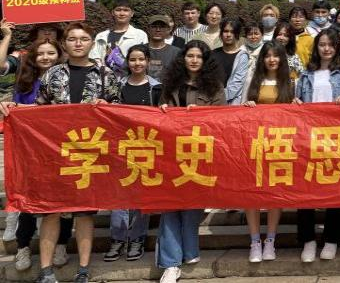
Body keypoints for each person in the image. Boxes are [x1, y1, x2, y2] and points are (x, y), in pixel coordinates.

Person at [31, 23, 120, 283]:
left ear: (92, 42)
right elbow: (38, 111)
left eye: (83, 38)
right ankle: (46, 271)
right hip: (55, 152)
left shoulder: (105, 74)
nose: (78, 43)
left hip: (89, 153)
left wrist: (107, 107)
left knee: (84, 212)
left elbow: (118, 111)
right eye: (72, 39)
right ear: (64, 44)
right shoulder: (52, 74)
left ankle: (83, 270)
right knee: (51, 211)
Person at [0, 34, 73, 273]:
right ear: (33, 57)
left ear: (59, 56)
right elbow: (16, 111)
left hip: (61, 148)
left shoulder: (67, 79)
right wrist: (9, 106)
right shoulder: (25, 81)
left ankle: (61, 245)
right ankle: (23, 247)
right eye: (40, 53)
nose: (45, 57)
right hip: (31, 150)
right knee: (30, 200)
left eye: (51, 53)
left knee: (64, 201)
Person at [156, 40, 225, 283]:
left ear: (205, 61)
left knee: (192, 206)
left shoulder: (214, 87)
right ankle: (170, 263)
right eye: (190, 55)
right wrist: (163, 109)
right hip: (171, 152)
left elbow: (222, 120)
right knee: (169, 207)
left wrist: (202, 115)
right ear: (183, 58)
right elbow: (159, 113)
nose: (194, 60)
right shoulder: (171, 84)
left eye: (199, 56)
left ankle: (190, 251)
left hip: (198, 152)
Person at [294, 29, 340, 262]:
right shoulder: (306, 74)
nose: (326, 48)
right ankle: (308, 240)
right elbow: (297, 102)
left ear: (337, 47)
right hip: (309, 139)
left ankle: (332, 239)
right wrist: (296, 103)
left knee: (336, 190)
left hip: (336, 138)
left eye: (331, 44)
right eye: (322, 44)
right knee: (305, 191)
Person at [104, 45, 161, 262]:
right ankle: (117, 239)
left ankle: (137, 238)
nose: (137, 63)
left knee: (141, 197)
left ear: (148, 61)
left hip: (146, 147)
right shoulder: (117, 86)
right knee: (119, 196)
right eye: (133, 60)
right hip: (120, 148)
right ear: (127, 62)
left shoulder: (156, 88)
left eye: (141, 59)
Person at [241, 41, 295, 262]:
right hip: (254, 142)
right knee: (251, 192)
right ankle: (255, 241)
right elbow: (239, 111)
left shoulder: (290, 81)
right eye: (267, 56)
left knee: (275, 192)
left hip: (279, 144)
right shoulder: (252, 80)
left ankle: (270, 240)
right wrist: (247, 107)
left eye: (276, 55)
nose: (272, 60)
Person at [89, 0, 148, 76]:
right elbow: (94, 59)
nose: (122, 13)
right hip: (104, 79)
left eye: (126, 10)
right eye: (118, 10)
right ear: (112, 12)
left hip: (131, 79)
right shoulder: (101, 36)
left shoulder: (140, 35)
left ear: (132, 13)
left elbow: (144, 60)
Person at [211, 18, 250, 104]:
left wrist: (218, 98)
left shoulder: (242, 56)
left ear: (237, 34)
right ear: (221, 34)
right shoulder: (212, 54)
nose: (228, 35)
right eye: (225, 31)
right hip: (212, 101)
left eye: (232, 32)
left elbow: (237, 84)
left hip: (233, 103)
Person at [145, 15, 181, 83]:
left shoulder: (176, 52)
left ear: (168, 29)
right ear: (148, 29)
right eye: (154, 26)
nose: (158, 30)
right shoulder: (139, 51)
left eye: (162, 27)